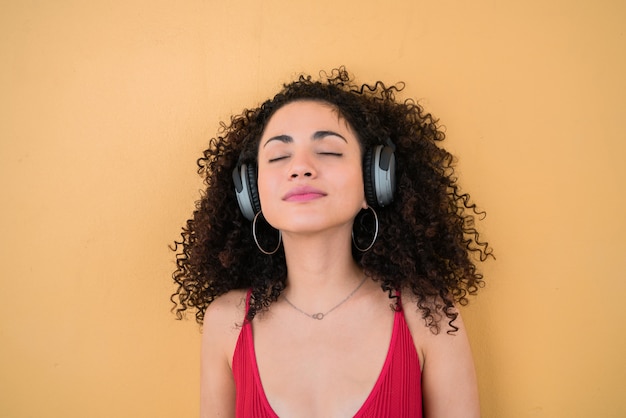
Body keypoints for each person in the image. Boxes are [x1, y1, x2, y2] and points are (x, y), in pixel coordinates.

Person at [171, 67, 492, 417]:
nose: (301, 168)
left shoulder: (430, 316)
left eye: (328, 151)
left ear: (375, 181)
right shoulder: (226, 321)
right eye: (279, 157)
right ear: (251, 192)